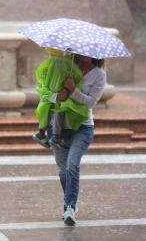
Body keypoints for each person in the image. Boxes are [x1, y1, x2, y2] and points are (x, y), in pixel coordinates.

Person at [49, 55, 106, 226]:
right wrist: (56, 96)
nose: (83, 53)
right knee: (63, 171)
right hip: (59, 127)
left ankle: (69, 207)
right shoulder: (64, 66)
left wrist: (73, 90)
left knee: (72, 165)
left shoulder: (99, 74)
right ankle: (71, 202)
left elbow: (90, 103)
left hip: (83, 128)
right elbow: (45, 92)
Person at [33, 48, 88, 149]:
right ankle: (54, 136)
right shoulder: (63, 63)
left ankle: (45, 134)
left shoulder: (49, 63)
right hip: (59, 101)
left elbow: (41, 83)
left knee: (55, 111)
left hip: (54, 102)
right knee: (59, 111)